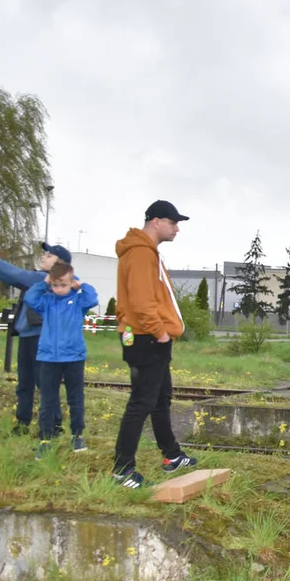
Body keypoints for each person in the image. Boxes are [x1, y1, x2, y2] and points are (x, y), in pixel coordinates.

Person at [111, 200, 197, 489]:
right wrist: (160, 332)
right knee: (142, 402)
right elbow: (141, 300)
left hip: (150, 337)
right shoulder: (139, 253)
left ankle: (171, 455)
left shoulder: (145, 252)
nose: (176, 229)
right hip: (147, 338)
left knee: (160, 398)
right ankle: (122, 469)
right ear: (157, 221)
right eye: (174, 223)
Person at [23, 261, 97, 458]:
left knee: (76, 398)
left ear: (71, 282)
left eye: (63, 285)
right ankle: (45, 439)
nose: (59, 289)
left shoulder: (79, 301)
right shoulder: (46, 301)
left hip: (74, 357)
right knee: (47, 400)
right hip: (49, 358)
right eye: (55, 285)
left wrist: (79, 284)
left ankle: (77, 435)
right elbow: (30, 298)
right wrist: (45, 281)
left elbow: (93, 298)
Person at [0, 243, 71, 435]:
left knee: (44, 383)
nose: (43, 257)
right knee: (25, 383)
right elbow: (10, 276)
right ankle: (23, 422)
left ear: (60, 263)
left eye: (49, 255)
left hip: (41, 338)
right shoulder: (41, 278)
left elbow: (15, 275)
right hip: (27, 336)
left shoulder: (46, 279)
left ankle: (53, 426)